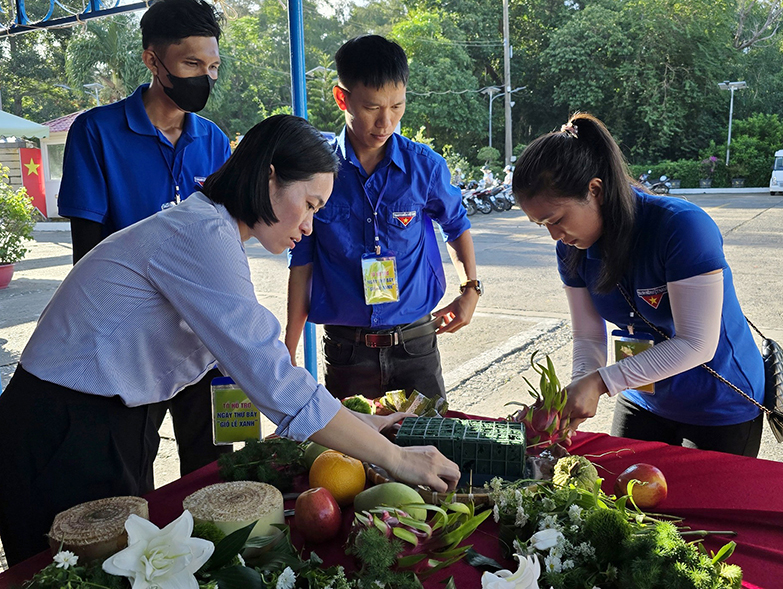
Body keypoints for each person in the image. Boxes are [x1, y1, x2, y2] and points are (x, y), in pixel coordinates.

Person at [0, 115, 460, 566]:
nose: (310, 226)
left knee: (119, 565)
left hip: (111, 423)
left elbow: (264, 364)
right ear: (269, 177)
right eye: (312, 205)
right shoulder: (200, 235)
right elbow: (275, 382)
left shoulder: (213, 230)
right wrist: (396, 459)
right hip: (62, 429)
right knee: (63, 573)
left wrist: (361, 430)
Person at [512, 113, 764, 457]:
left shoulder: (681, 228)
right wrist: (578, 389)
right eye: (542, 225)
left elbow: (696, 343)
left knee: (702, 506)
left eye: (556, 219)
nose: (555, 235)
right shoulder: (570, 250)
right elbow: (588, 335)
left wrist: (601, 382)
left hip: (718, 398)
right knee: (622, 498)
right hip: (642, 392)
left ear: (595, 190)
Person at [57, 0, 233, 478]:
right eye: (192, 64)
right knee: (127, 474)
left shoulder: (213, 141)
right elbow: (86, 254)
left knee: (215, 471)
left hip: (199, 335)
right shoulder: (97, 132)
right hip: (127, 344)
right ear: (153, 60)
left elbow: (222, 243)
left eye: (213, 65)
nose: (206, 78)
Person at [285, 35, 480, 401]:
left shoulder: (425, 167)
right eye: (373, 107)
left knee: (430, 448)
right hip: (346, 352)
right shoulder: (317, 173)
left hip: (416, 345)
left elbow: (456, 225)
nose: (385, 121)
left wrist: (471, 288)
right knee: (347, 457)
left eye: (397, 105)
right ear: (342, 98)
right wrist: (290, 348)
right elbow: (302, 259)